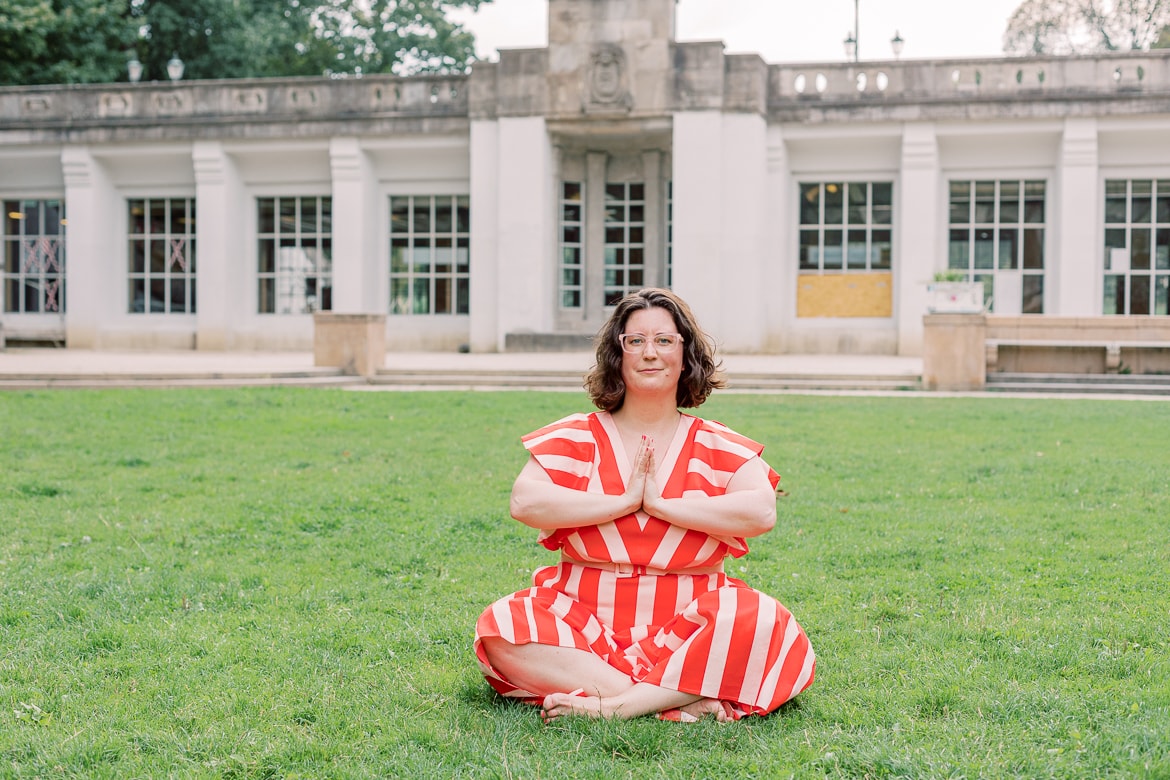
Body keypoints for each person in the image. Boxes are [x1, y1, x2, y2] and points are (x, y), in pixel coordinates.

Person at [474, 288, 815, 722]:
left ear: (685, 354)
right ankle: (677, 701)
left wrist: (660, 505)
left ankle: (614, 707)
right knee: (504, 625)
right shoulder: (576, 436)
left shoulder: (718, 443)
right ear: (617, 354)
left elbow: (761, 512)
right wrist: (621, 502)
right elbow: (525, 501)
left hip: (689, 628)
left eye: (663, 341)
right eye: (635, 341)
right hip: (584, 627)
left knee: (762, 617)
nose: (649, 353)